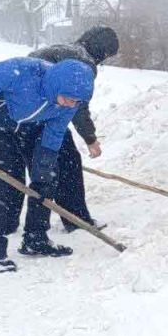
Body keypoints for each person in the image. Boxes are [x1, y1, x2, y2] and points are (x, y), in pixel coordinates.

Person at [0, 57, 95, 273]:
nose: (71, 105)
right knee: (1, 184)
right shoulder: (19, 72)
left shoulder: (71, 102)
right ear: (56, 85)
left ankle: (35, 238)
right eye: (68, 99)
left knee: (46, 178)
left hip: (33, 126)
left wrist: (43, 171)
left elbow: (55, 132)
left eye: (77, 102)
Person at [29, 25, 119, 232]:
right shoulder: (84, 63)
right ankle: (76, 220)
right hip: (41, 113)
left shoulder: (63, 49)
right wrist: (90, 139)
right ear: (102, 51)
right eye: (106, 56)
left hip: (17, 110)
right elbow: (77, 106)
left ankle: (9, 223)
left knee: (23, 167)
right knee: (67, 163)